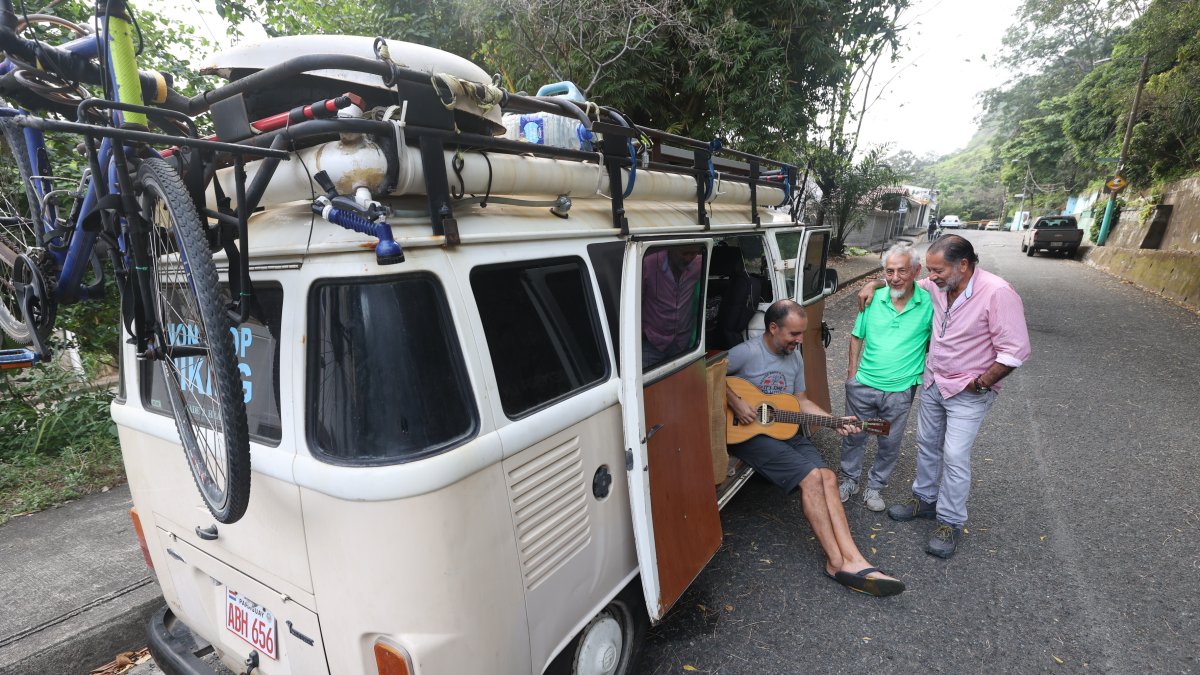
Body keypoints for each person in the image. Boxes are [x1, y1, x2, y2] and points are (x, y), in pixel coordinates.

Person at [857, 235, 1031, 559]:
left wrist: (981, 383)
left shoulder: (997, 292)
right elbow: (905, 281)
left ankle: (950, 521)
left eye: (937, 270)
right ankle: (925, 499)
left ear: (962, 265)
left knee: (954, 455)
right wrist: (873, 284)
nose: (931, 276)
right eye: (930, 270)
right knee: (927, 444)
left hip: (968, 391)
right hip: (934, 382)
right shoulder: (938, 286)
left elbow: (1015, 351)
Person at [726, 299, 905, 597]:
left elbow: (801, 401)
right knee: (811, 478)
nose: (799, 340)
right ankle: (835, 562)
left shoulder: (794, 357)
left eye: (801, 333)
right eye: (794, 334)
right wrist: (736, 402)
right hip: (750, 436)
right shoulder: (747, 352)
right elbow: (706, 374)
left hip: (785, 428)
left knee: (828, 477)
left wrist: (833, 421)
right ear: (773, 328)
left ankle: (854, 558)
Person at [839, 244, 932, 512]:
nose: (895, 277)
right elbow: (857, 336)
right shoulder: (873, 298)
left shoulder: (929, 304)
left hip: (900, 390)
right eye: (889, 271)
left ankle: (875, 486)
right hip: (863, 385)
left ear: (916, 271)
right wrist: (852, 375)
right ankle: (849, 480)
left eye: (902, 271)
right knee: (854, 435)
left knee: (888, 442)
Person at [642, 244, 703, 368]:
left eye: (693, 253)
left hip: (682, 343)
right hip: (653, 342)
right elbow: (637, 299)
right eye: (684, 253)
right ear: (671, 248)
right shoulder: (649, 263)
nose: (688, 258)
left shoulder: (699, 264)